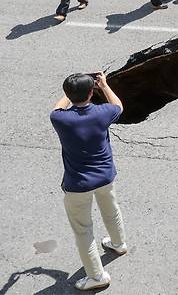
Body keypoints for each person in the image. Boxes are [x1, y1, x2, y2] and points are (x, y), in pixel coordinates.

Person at [50, 72, 128, 291]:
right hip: (105, 176)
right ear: (92, 92)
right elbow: (118, 105)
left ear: (67, 94)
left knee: (84, 231)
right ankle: (119, 243)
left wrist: (70, 92)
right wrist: (104, 85)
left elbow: (58, 106)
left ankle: (96, 277)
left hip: (78, 185)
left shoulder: (60, 118)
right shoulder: (104, 113)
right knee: (111, 210)